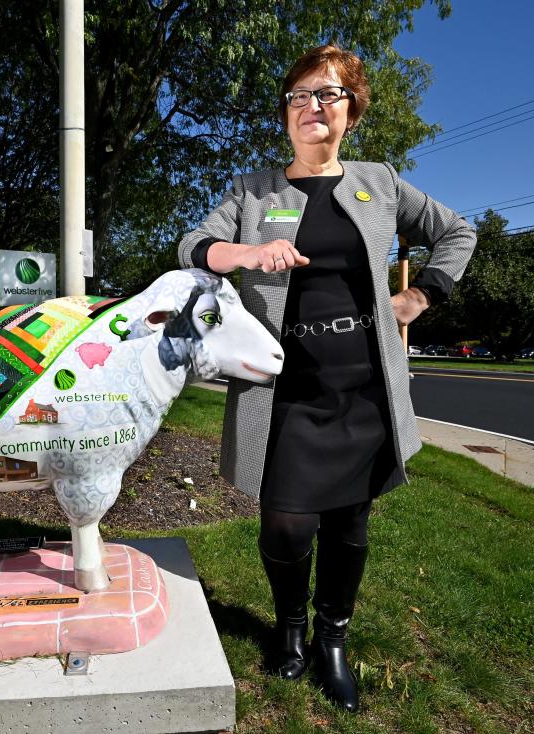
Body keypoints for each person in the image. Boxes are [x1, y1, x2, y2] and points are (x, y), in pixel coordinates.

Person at [177, 44, 475, 711]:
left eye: (330, 94)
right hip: (284, 388)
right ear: (285, 111)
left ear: (352, 111)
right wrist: (249, 251)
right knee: (285, 523)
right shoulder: (254, 189)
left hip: (364, 385)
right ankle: (289, 630)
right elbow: (193, 246)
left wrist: (421, 297)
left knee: (349, 521)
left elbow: (456, 233)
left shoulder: (381, 182)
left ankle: (331, 639)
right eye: (301, 95)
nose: (314, 106)